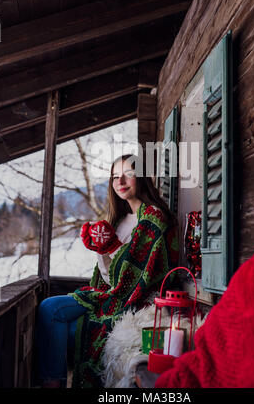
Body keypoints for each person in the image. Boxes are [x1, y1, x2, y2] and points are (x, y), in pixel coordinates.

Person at [37, 154, 179, 388]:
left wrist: (111, 246)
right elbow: (109, 278)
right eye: (115, 177)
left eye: (128, 174)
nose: (120, 181)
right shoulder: (119, 219)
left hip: (135, 302)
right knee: (48, 307)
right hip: (109, 295)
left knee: (68, 330)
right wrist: (99, 248)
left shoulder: (153, 216)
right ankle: (54, 383)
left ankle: (54, 383)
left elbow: (136, 275)